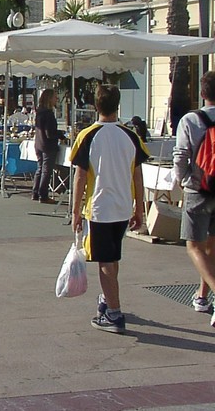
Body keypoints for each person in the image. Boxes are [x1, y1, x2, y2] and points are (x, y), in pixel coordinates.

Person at [71, 84, 148, 334]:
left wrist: (75, 212)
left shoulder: (88, 135)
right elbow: (138, 175)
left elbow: (80, 177)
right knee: (113, 256)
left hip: (100, 207)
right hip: (123, 206)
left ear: (95, 106)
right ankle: (107, 300)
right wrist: (140, 208)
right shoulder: (131, 135)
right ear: (118, 105)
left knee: (104, 260)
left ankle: (114, 314)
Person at [173, 70, 215, 328]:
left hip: (198, 190)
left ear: (202, 93)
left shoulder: (191, 119)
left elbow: (181, 155)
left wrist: (184, 179)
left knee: (194, 247)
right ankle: (202, 297)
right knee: (211, 247)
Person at [32, 89, 62, 204]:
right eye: (55, 97)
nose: (56, 99)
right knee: (46, 170)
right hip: (47, 145)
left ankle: (36, 192)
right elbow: (50, 133)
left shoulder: (40, 112)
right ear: (49, 99)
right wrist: (60, 135)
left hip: (39, 143)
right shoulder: (48, 114)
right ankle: (43, 195)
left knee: (40, 169)